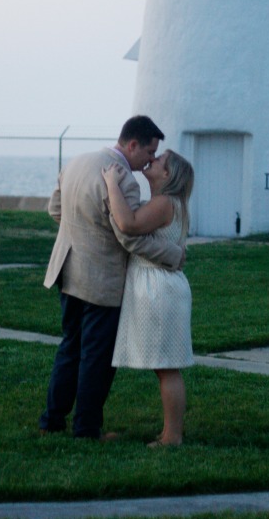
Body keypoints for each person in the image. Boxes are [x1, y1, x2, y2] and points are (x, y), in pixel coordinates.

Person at [39, 116, 184, 440]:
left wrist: (84, 233)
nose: (149, 159)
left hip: (67, 268)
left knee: (70, 347)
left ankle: (52, 420)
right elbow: (130, 236)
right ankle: (87, 429)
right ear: (132, 145)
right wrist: (173, 254)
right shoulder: (124, 182)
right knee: (97, 357)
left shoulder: (78, 161)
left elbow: (55, 209)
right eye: (149, 152)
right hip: (101, 280)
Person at [102, 149, 194, 447]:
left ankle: (172, 436)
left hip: (159, 290)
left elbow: (128, 223)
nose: (151, 161)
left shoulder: (164, 203)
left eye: (159, 161)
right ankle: (171, 432)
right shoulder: (170, 203)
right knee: (165, 366)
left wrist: (111, 184)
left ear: (167, 175)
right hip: (165, 286)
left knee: (167, 366)